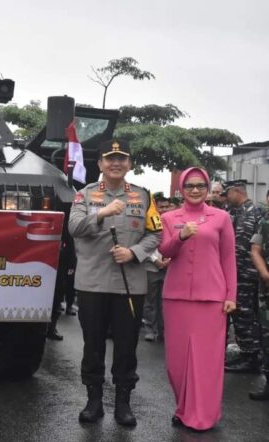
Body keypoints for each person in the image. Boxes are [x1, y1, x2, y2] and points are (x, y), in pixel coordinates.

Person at [68, 139, 162, 427]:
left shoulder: (144, 196)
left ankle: (123, 403)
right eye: (110, 159)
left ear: (129, 164)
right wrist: (101, 214)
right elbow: (74, 227)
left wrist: (133, 253)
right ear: (100, 164)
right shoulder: (84, 195)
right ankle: (93, 401)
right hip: (92, 284)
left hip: (129, 286)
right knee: (93, 344)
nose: (116, 163)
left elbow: (155, 234)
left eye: (122, 158)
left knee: (126, 346)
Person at [159, 167, 236, 431]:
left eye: (200, 186)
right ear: (181, 189)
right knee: (177, 363)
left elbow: (228, 258)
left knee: (206, 362)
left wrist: (231, 295)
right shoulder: (170, 217)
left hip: (212, 299)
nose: (195, 190)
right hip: (176, 297)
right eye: (189, 186)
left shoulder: (221, 217)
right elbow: (165, 249)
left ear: (207, 189)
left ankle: (203, 415)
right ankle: (183, 408)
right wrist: (180, 236)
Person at [223, 180, 263, 372]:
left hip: (247, 274)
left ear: (237, 191)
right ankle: (248, 352)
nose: (225, 197)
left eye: (227, 193)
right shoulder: (235, 213)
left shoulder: (255, 213)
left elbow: (251, 247)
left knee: (245, 314)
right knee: (240, 314)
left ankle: (252, 357)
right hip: (235, 274)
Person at [143, 193, 172, 342]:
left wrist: (168, 259)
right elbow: (144, 244)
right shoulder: (149, 221)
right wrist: (155, 260)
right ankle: (150, 329)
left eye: (167, 206)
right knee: (150, 301)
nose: (164, 209)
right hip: (151, 267)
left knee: (164, 301)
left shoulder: (173, 222)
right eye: (161, 207)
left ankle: (163, 331)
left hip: (168, 268)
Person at [249, 206, 269, 400]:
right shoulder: (265, 222)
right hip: (267, 289)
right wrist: (265, 274)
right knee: (266, 337)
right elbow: (255, 250)